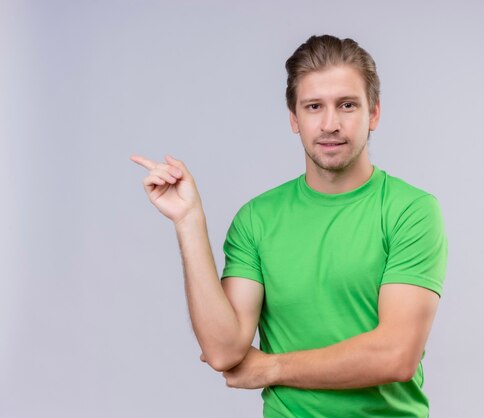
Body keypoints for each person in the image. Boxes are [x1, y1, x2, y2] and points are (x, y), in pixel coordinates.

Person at [131, 34, 448, 418]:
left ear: (374, 113)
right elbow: (224, 349)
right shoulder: (257, 219)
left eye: (347, 105)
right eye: (314, 106)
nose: (330, 123)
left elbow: (395, 355)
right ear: (294, 118)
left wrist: (272, 367)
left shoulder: (409, 211)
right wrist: (188, 221)